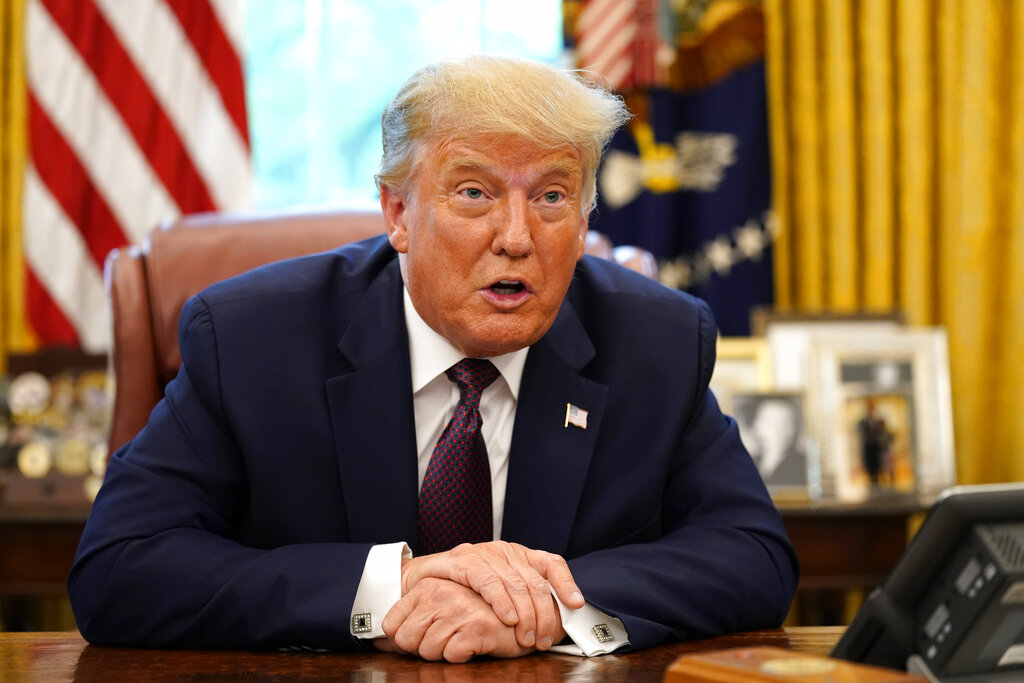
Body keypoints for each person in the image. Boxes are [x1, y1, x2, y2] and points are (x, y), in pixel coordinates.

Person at [68, 55, 798, 662]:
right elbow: (118, 567)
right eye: (474, 192)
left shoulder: (655, 342)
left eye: (551, 196)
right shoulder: (253, 338)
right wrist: (390, 588)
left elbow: (753, 556)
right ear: (397, 214)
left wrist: (549, 601)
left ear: (583, 224)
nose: (516, 236)